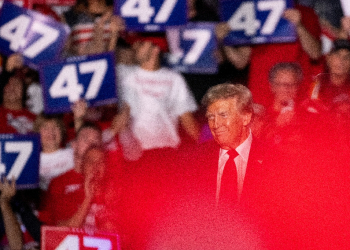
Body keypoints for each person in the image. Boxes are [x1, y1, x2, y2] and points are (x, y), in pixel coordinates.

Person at [39, 122, 104, 227]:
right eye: (85, 139)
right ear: (74, 145)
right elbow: (60, 230)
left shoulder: (110, 179)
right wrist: (88, 198)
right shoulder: (59, 183)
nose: (91, 144)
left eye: (96, 140)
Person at [33, 114, 74, 191]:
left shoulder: (74, 154)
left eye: (55, 127)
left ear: (62, 131)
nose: (51, 131)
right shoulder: (31, 161)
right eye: (45, 127)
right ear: (37, 132)